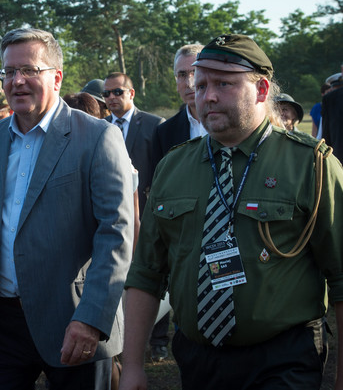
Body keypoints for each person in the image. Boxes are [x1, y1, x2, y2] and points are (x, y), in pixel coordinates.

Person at [120, 34, 343, 390]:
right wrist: (132, 365)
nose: (206, 96)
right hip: (199, 362)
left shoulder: (311, 164)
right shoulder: (173, 167)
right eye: (201, 84)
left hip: (283, 359)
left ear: (261, 88)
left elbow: (341, 277)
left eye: (224, 83)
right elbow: (146, 272)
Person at [0, 27, 133, 390]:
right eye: (9, 71)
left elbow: (116, 234)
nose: (16, 81)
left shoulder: (97, 137)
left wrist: (92, 318)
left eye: (29, 70)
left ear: (56, 76)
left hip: (73, 320)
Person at [149, 43, 205, 362]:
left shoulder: (232, 123)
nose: (188, 82)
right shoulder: (166, 131)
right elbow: (160, 190)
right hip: (182, 237)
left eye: (194, 72)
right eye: (181, 74)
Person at [103, 72, 164, 216]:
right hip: (109, 210)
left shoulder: (154, 125)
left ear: (131, 93)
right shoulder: (99, 127)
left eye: (117, 92)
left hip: (146, 211)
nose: (111, 97)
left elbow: (162, 173)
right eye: (106, 93)